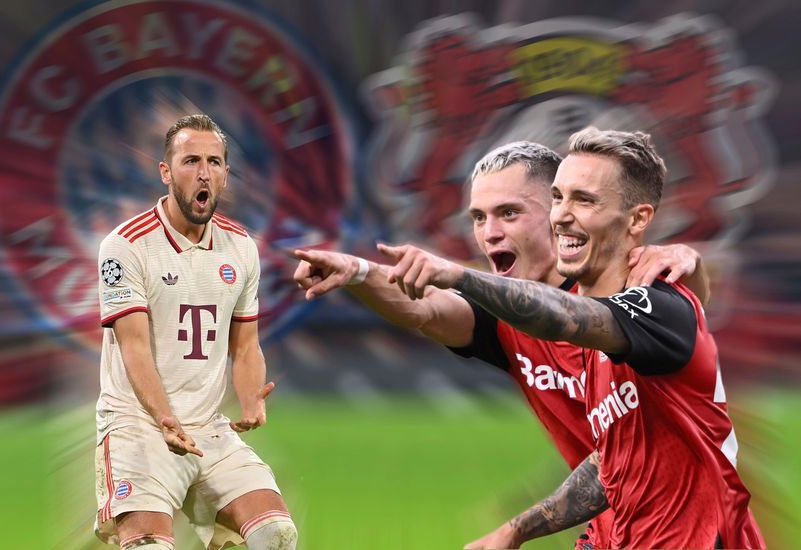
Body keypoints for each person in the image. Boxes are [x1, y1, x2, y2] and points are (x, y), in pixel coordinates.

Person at [293, 140, 709, 549]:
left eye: (509, 213)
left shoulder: (631, 296)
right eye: (478, 217)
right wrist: (358, 272)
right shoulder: (508, 313)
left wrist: (516, 529)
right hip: (610, 534)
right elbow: (425, 309)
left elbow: (626, 454)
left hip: (690, 533)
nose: (490, 234)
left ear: (559, 214)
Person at [373, 128, 764, 549]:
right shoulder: (594, 334)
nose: (560, 215)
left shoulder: (648, 308)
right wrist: (357, 272)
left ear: (638, 218)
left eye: (584, 199)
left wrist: (461, 275)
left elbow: (568, 318)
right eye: (558, 198)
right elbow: (614, 462)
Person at [94, 114, 297, 550]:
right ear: (166, 172)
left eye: (214, 162)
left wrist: (248, 397)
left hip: (207, 426)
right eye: (190, 161)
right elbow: (134, 348)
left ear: (225, 174)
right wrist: (164, 418)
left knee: (275, 535)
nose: (203, 172)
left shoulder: (241, 248)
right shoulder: (125, 246)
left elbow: (244, 345)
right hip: (139, 426)